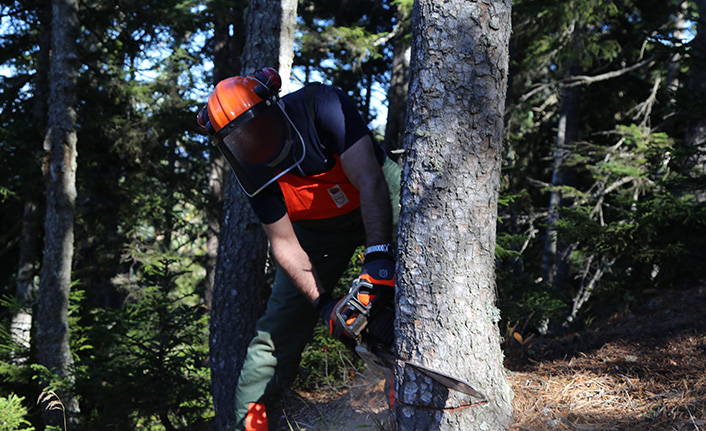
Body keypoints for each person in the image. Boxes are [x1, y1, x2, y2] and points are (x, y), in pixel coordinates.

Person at [197, 67, 400, 431]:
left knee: (423, 249)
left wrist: (380, 261)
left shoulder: (320, 106)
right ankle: (250, 420)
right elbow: (284, 244)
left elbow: (369, 180)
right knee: (277, 329)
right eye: (237, 138)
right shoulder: (249, 168)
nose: (250, 141)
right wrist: (324, 305)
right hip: (318, 230)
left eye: (253, 127)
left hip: (378, 193)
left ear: (271, 107)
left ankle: (405, 381)